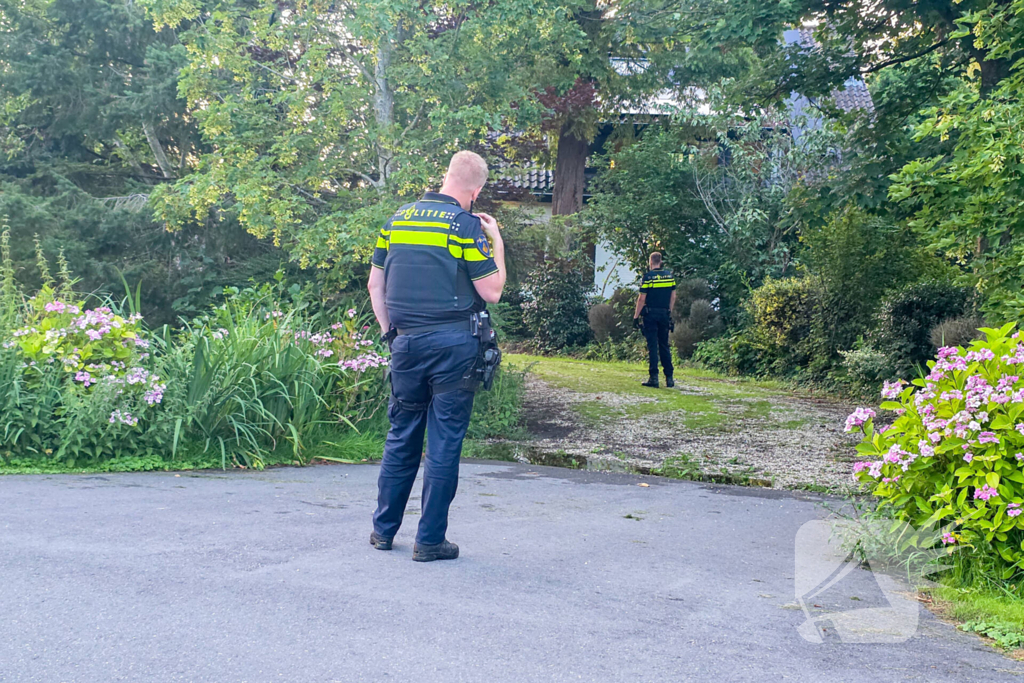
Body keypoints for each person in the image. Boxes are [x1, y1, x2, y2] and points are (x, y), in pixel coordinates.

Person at [366, 150, 506, 562]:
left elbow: (376, 286)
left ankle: (382, 531)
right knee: (443, 442)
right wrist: (496, 241)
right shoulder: (464, 227)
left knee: (401, 435)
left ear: (445, 177)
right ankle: (429, 541)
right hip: (453, 347)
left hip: (405, 344)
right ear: (476, 191)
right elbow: (492, 290)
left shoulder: (397, 221)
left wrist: (390, 333)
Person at [633, 252, 676, 388]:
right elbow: (673, 296)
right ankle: (669, 378)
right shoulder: (669, 276)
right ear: (661, 261)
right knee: (664, 345)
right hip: (664, 313)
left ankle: (654, 378)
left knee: (652, 346)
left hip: (650, 315)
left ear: (650, 262)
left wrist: (636, 316)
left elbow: (641, 299)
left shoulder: (648, 277)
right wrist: (669, 312)